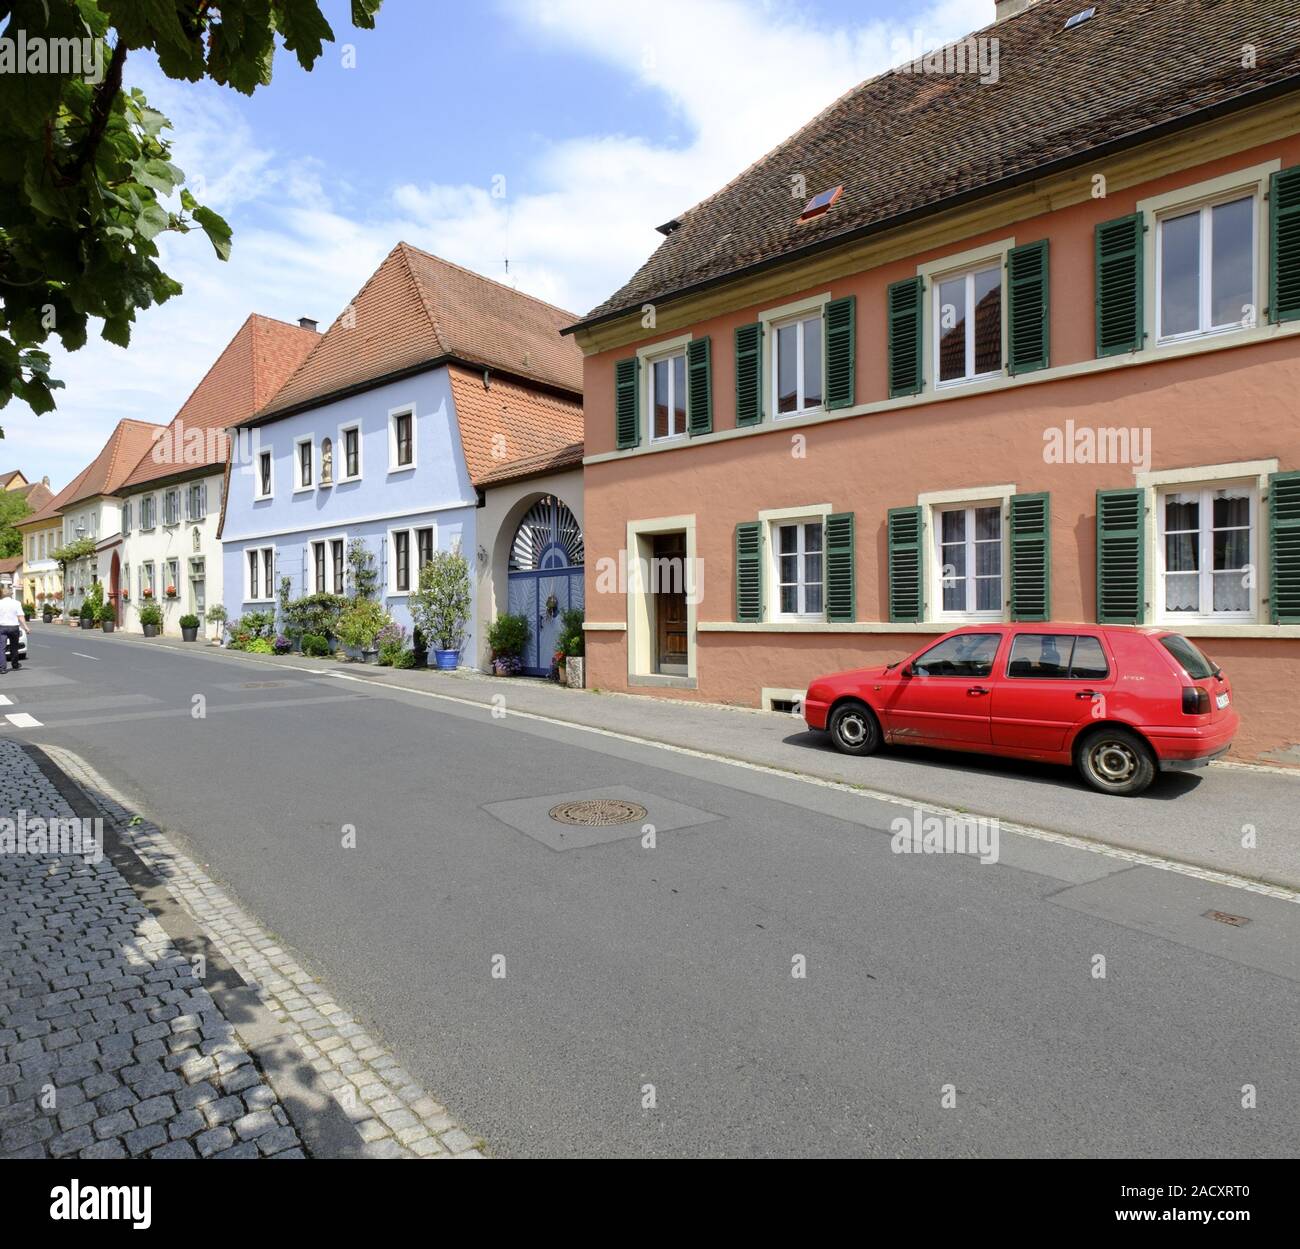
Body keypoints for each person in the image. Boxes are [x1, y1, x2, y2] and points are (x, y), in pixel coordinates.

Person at [0, 586, 29, 674]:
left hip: (2, 627)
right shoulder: (16, 603)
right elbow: (20, 616)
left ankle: (2, 668)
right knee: (14, 647)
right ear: (11, 595)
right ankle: (15, 664)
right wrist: (26, 627)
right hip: (14, 627)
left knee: (2, 648)